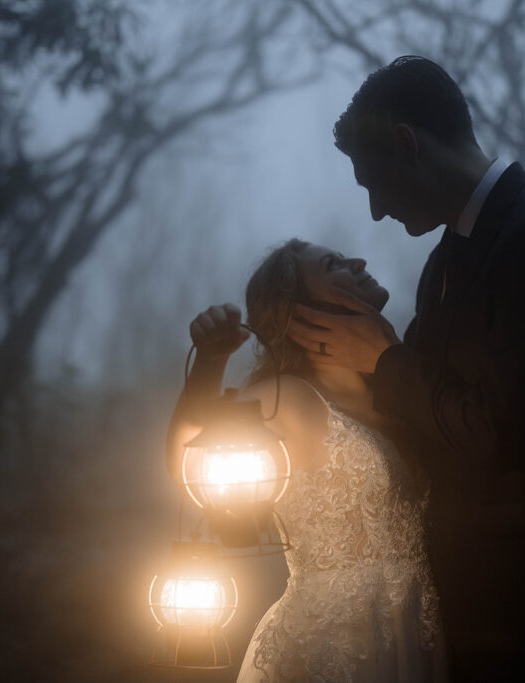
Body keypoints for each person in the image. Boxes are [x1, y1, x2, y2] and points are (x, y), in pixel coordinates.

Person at [287, 56, 525, 680]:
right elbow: (419, 409)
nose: (374, 212)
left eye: (375, 182)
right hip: (476, 609)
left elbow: (496, 432)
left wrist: (384, 355)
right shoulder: (446, 259)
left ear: (408, 144)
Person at [167, 239, 448, 682]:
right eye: (334, 264)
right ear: (296, 310)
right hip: (332, 647)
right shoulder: (290, 400)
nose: (359, 261)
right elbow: (189, 459)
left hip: (419, 635)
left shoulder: (399, 388)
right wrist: (210, 358)